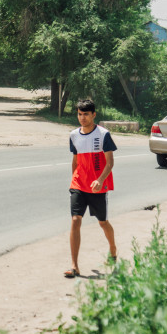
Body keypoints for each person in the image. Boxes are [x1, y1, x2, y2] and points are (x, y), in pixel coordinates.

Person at [64, 99, 117, 279]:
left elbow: (110, 162)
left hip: (97, 187)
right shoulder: (73, 135)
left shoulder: (103, 134)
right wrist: (74, 180)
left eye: (86, 114)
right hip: (79, 184)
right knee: (75, 220)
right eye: (80, 114)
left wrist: (100, 180)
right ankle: (74, 266)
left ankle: (113, 249)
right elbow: (75, 160)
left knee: (102, 222)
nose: (82, 118)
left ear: (94, 115)